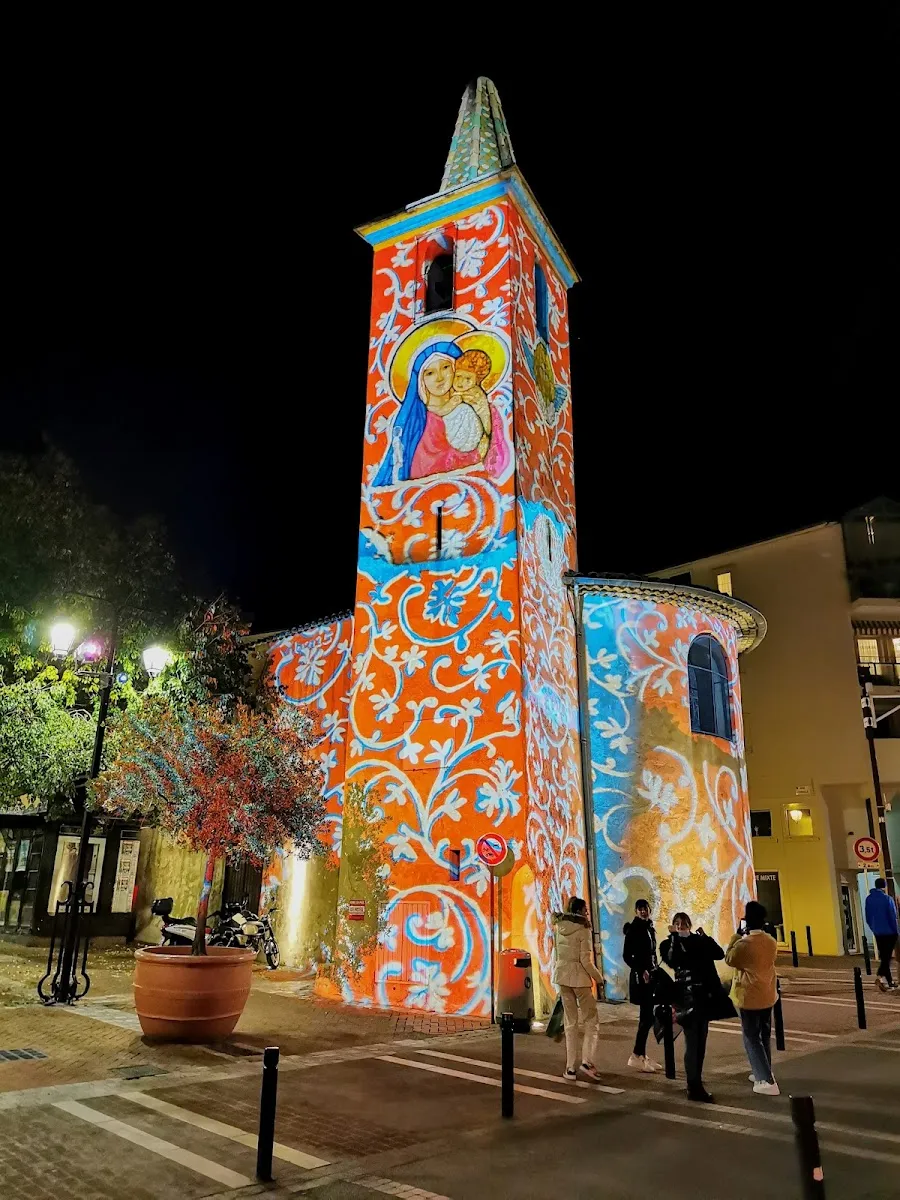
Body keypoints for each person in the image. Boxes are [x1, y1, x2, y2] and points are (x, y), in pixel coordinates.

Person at [660, 912, 727, 1103]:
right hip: (686, 999)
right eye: (677, 923)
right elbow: (674, 960)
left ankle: (697, 1080)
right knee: (692, 1041)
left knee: (701, 1041)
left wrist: (705, 937)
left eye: (684, 923)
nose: (681, 926)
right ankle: (693, 1086)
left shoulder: (699, 941)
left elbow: (718, 954)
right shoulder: (668, 944)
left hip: (703, 997)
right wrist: (674, 938)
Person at [725, 900, 780, 1096]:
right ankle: (762, 1070)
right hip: (767, 994)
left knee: (751, 1037)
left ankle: (765, 1079)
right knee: (764, 1034)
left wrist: (736, 936)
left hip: (749, 996)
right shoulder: (771, 941)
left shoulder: (744, 944)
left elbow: (729, 958)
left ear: (747, 921)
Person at [552, 897, 605, 1083]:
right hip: (580, 979)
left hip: (562, 977)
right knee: (591, 1021)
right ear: (580, 911)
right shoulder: (583, 929)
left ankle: (570, 1068)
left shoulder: (559, 927)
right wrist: (599, 979)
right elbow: (586, 961)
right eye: (586, 910)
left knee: (570, 1023)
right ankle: (587, 1062)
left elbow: (556, 954)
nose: (587, 913)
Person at [622, 898, 662, 1072]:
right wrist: (641, 970)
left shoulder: (649, 928)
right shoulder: (634, 929)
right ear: (636, 911)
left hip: (651, 976)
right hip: (642, 979)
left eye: (645, 908)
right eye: (640, 909)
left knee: (648, 1017)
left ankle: (640, 1055)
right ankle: (637, 1055)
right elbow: (627, 955)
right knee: (646, 1018)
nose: (643, 911)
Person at [864, 877, 899, 991]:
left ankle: (889, 981)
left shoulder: (869, 899)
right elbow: (892, 917)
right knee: (886, 958)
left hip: (878, 932)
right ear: (884, 886)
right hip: (889, 932)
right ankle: (879, 976)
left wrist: (874, 928)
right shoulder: (887, 899)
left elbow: (868, 917)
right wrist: (896, 931)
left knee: (884, 956)